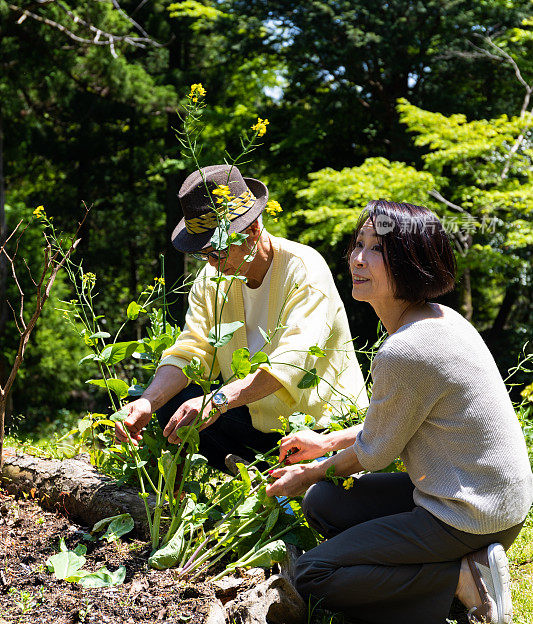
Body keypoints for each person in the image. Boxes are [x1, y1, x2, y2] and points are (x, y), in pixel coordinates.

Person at [265, 200, 533, 624]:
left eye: (378, 250)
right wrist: (325, 443)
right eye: (358, 244)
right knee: (325, 503)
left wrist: (311, 471)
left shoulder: (405, 350)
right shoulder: (441, 319)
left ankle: (462, 578)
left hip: (467, 515)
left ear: (413, 262)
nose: (357, 258)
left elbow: (373, 456)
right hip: (491, 502)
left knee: (314, 573)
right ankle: (457, 574)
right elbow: (392, 425)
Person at [115, 164, 368, 472]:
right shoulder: (211, 279)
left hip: (322, 430)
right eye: (203, 253)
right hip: (255, 423)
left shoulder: (304, 269)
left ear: (252, 231)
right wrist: (147, 401)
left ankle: (277, 479)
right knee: (175, 403)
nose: (212, 263)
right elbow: (190, 350)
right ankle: (255, 475)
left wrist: (218, 401)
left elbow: (290, 361)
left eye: (218, 250)